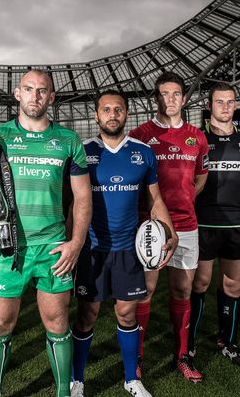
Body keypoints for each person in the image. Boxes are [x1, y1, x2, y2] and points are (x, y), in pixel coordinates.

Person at [0, 69, 92, 397]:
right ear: (17, 93)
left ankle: (63, 393)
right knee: (0, 324)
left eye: (42, 91)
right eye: (29, 89)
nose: (35, 96)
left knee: (57, 324)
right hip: (7, 247)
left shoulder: (67, 140)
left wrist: (76, 242)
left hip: (52, 248)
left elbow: (82, 197)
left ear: (51, 97)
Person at [70, 91, 176, 397]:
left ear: (126, 114)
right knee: (87, 315)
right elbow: (73, 203)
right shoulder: (83, 151)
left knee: (127, 314)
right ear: (96, 115)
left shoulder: (143, 153)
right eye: (106, 109)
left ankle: (132, 378)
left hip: (130, 250)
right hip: (92, 249)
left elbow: (154, 199)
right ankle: (78, 379)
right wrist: (71, 242)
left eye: (118, 109)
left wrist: (170, 231)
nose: (112, 114)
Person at [128, 71, 209, 382]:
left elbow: (201, 178)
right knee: (146, 291)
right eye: (164, 94)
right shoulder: (140, 134)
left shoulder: (196, 136)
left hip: (187, 225)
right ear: (156, 98)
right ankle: (137, 358)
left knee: (182, 289)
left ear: (184, 99)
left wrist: (185, 199)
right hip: (150, 226)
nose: (171, 99)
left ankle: (182, 356)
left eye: (176, 94)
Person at [188, 82, 240, 368]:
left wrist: (234, 197)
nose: (225, 106)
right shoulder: (197, 139)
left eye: (230, 102)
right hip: (203, 225)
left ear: (235, 105)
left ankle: (228, 342)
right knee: (200, 283)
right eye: (219, 102)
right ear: (209, 106)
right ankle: (191, 345)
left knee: (233, 286)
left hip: (236, 225)